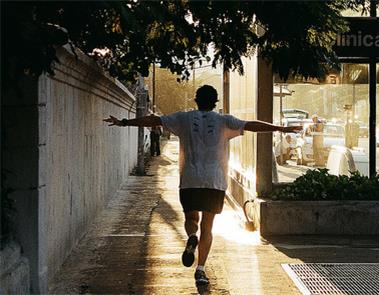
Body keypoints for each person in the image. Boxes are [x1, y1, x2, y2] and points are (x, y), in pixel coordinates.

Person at [104, 85, 301, 286]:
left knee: (191, 219)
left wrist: (124, 122)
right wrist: (281, 128)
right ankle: (200, 269)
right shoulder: (225, 121)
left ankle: (191, 236)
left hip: (190, 179)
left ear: (196, 100)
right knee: (207, 227)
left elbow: (154, 120)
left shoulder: (183, 118)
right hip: (214, 181)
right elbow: (251, 125)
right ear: (215, 102)